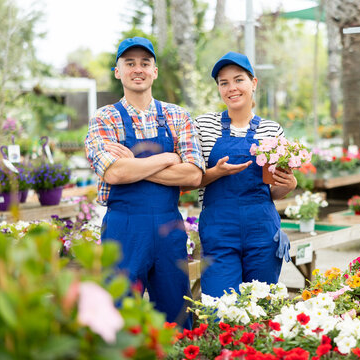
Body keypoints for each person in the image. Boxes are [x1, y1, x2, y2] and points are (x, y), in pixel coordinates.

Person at [84, 37, 205, 329]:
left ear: (155, 71)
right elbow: (113, 174)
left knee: (176, 313)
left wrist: (133, 165)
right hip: (124, 228)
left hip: (168, 228)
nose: (137, 69)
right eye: (129, 63)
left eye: (144, 63)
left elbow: (193, 175)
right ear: (118, 71)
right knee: (120, 316)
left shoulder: (177, 116)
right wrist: (169, 157)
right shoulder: (104, 118)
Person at [194, 51, 297, 297]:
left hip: (261, 230)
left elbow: (273, 191)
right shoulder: (203, 126)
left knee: (260, 308)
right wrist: (215, 173)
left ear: (254, 83)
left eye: (239, 79)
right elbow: (189, 181)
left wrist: (289, 184)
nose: (232, 88)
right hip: (219, 231)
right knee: (219, 307)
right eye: (224, 82)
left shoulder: (272, 130)